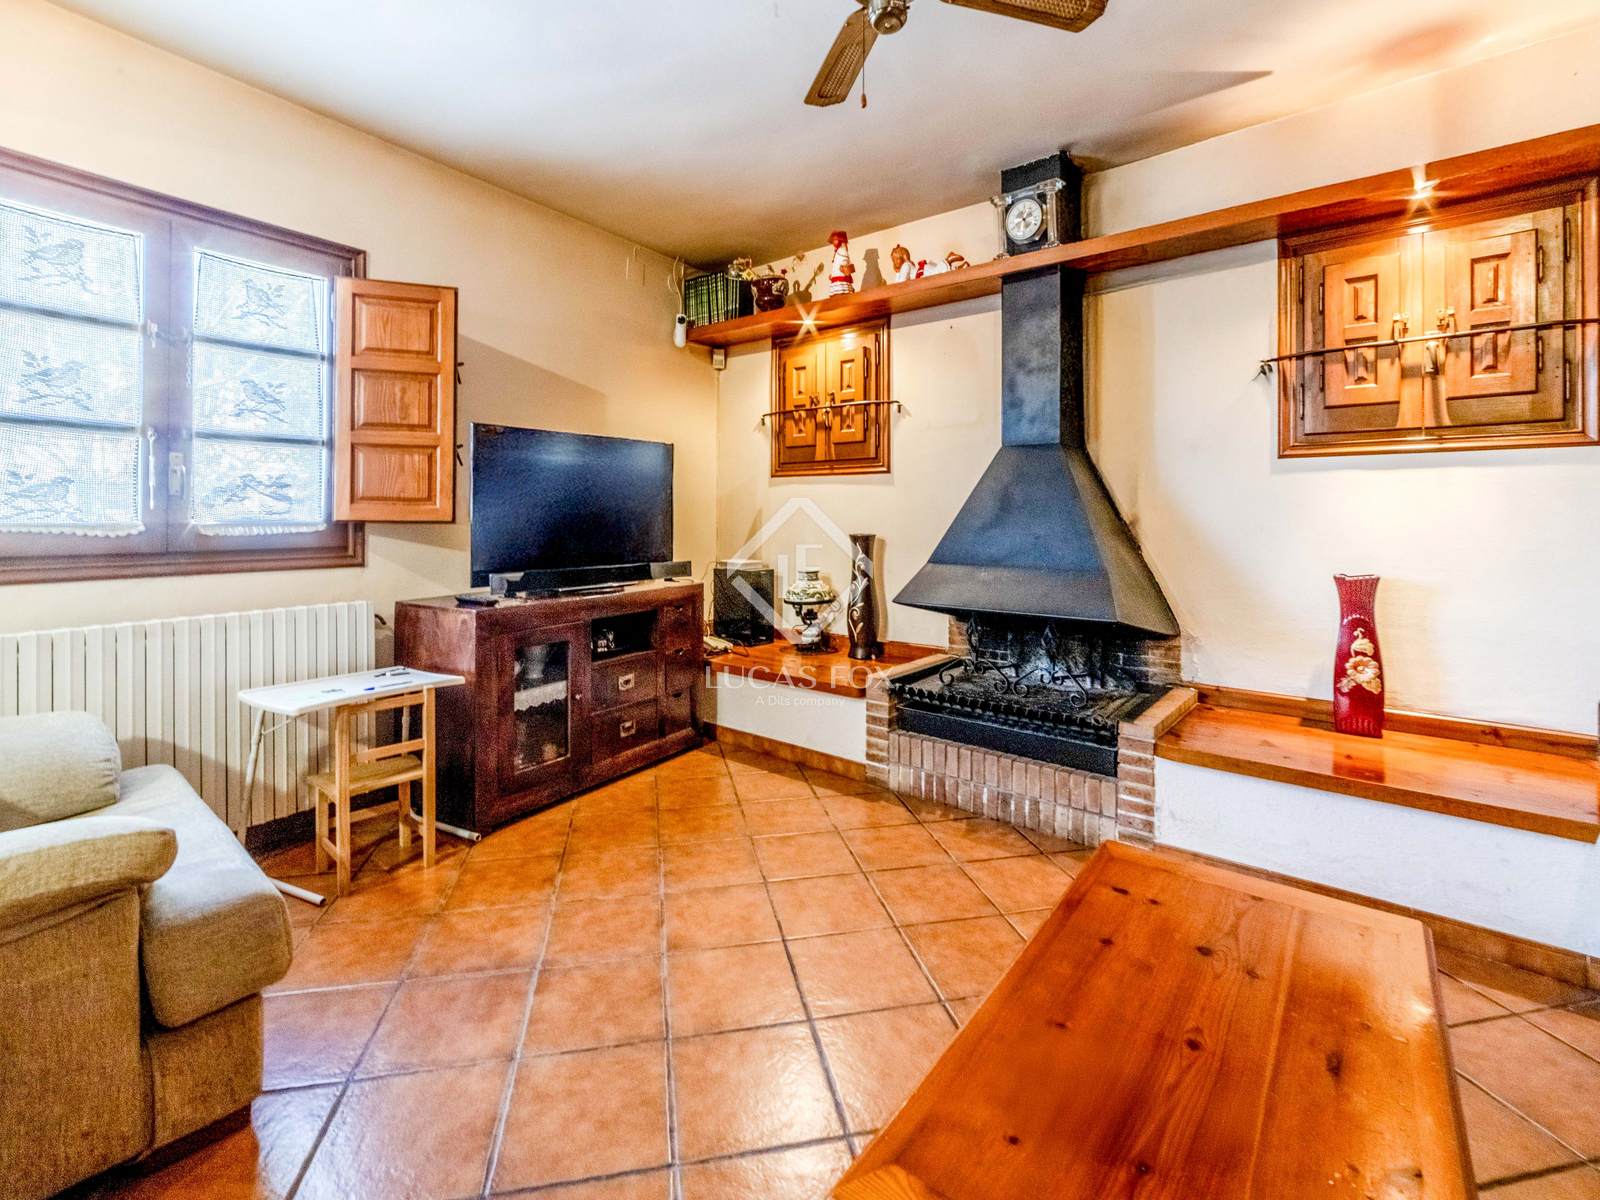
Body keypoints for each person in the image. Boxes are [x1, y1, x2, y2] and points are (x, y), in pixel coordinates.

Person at [827, 230, 855, 296]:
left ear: (840, 240)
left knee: (840, 294)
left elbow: (844, 266)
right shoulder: (839, 251)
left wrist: (837, 273)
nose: (833, 242)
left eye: (835, 240)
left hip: (840, 281)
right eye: (833, 240)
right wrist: (833, 275)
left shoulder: (842, 250)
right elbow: (838, 265)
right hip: (838, 279)